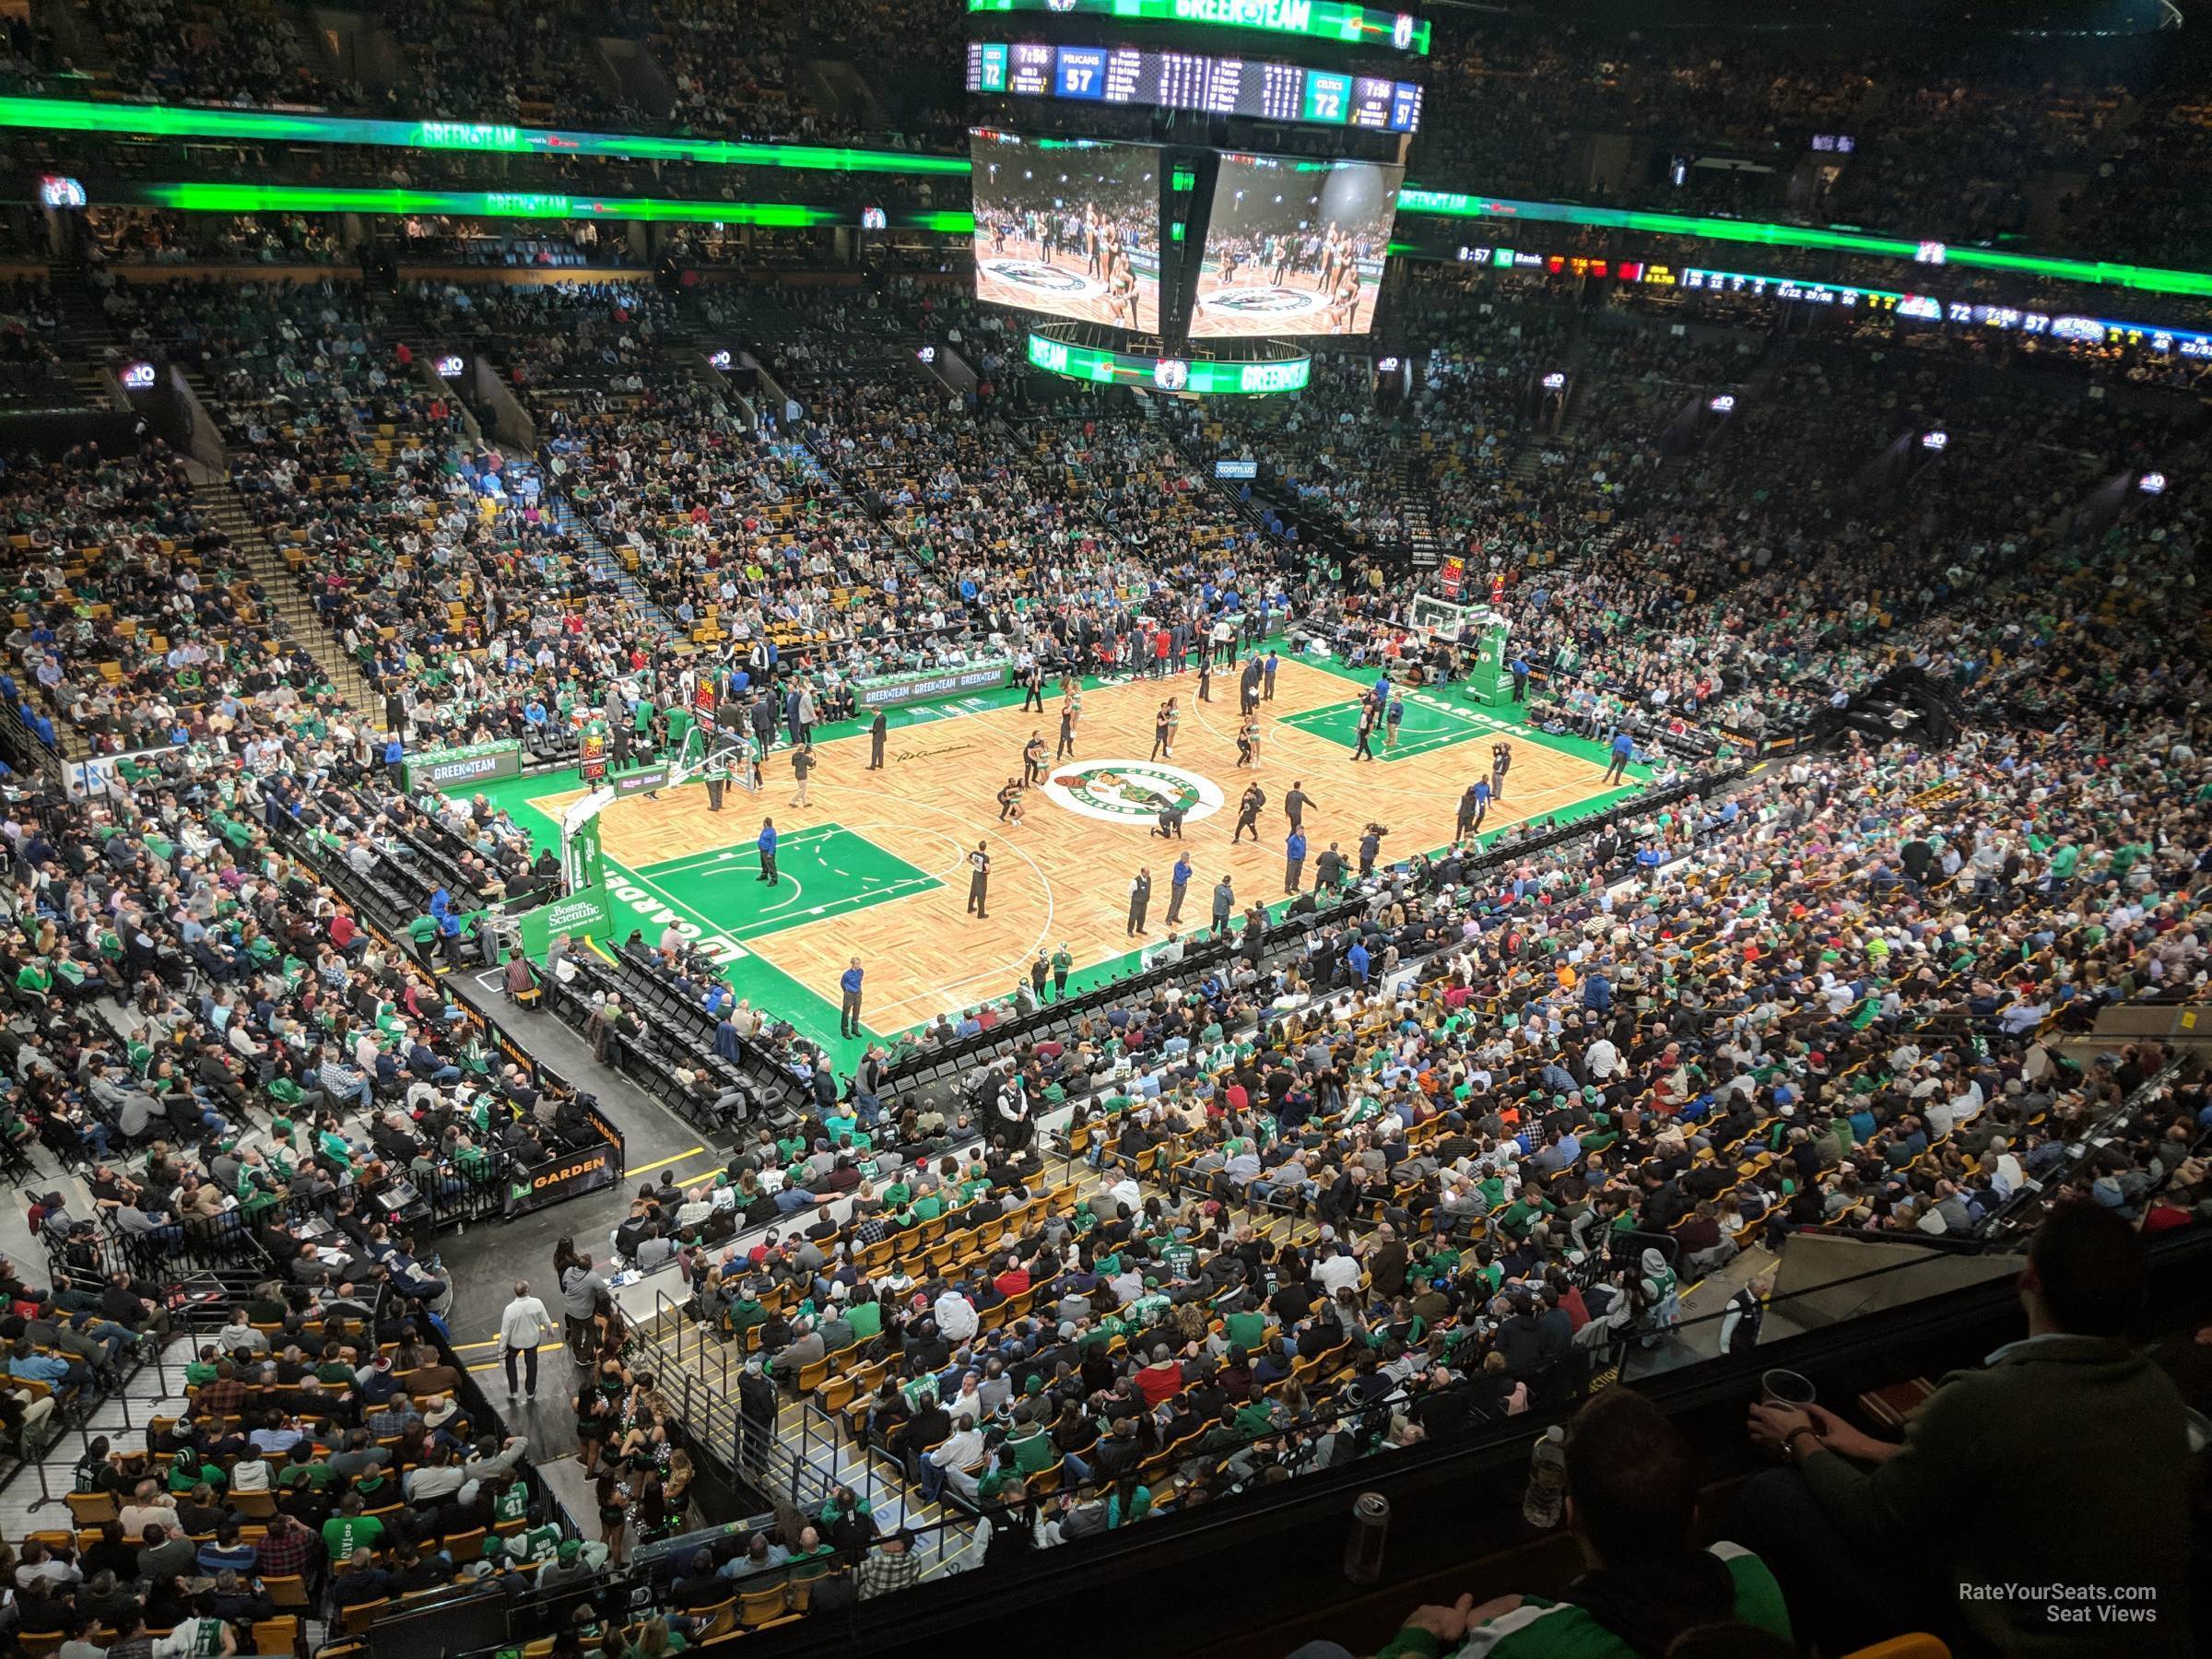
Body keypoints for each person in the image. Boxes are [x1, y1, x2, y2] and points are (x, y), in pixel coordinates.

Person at [1741, 1204, 2194, 1656]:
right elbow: (2017, 1470)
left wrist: (1797, 1439)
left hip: (2000, 1639)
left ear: (2027, 1284)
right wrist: (1873, 1448)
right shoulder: (2158, 1388)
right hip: (2134, 1632)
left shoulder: (1986, 1398)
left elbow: (1872, 1519)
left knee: (1771, 1494)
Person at [1367, 1389, 1789, 1659]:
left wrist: (1417, 1638)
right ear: (1694, 1514)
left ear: (1571, 1518)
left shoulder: (1515, 1648)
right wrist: (1535, 1606)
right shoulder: (1749, 1573)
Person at [500, 1279, 554, 1400]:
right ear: (527, 1290)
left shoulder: (509, 1309)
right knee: (531, 1365)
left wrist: (502, 1349)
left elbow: (505, 1332)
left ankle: (513, 1391)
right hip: (532, 1341)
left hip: (514, 1343)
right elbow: (545, 1319)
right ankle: (530, 1391)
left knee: (510, 1362)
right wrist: (549, 1329)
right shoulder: (537, 1303)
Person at [839, 959, 865, 1041]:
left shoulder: (861, 971)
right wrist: (847, 991)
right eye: (857, 964)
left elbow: (860, 980)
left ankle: (855, 1029)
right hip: (849, 994)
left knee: (856, 1011)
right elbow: (842, 983)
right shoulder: (847, 974)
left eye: (859, 963)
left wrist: (858, 990)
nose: (858, 965)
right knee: (846, 1013)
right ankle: (845, 1031)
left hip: (858, 994)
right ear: (852, 964)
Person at [1165, 853, 1192, 926]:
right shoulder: (1177, 865)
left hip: (1184, 885)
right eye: (1186, 859)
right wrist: (1186, 870)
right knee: (1174, 902)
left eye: (1188, 859)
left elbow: (1190, 873)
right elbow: (1180, 876)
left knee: (1180, 902)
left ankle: (1175, 916)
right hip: (1177, 886)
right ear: (1182, 858)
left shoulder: (1187, 865)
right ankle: (1168, 919)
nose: (1187, 860)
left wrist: (1186, 871)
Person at [967, 841, 991, 919]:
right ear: (985, 847)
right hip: (981, 876)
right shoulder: (985, 857)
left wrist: (974, 864)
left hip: (975, 873)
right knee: (981, 894)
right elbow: (987, 869)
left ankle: (970, 908)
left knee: (973, 891)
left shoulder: (974, 853)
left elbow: (967, 858)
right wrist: (987, 872)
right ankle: (981, 914)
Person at [1126, 869, 1151, 937]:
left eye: (1149, 873)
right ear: (1142, 872)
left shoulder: (1149, 879)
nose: (1148, 875)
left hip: (1144, 902)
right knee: (1133, 916)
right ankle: (1130, 930)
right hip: (1136, 903)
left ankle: (1139, 928)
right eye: (1147, 873)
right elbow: (1130, 891)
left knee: (1142, 916)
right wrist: (1135, 899)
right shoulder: (1135, 881)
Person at [789, 743, 816, 807]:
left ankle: (805, 802)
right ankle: (793, 801)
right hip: (803, 775)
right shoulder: (806, 757)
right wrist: (814, 760)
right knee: (802, 790)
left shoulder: (794, 755)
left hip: (797, 774)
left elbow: (793, 764)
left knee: (803, 789)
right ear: (803, 749)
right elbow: (811, 765)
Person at [758, 818, 780, 886]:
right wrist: (759, 844)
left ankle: (774, 880)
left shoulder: (772, 832)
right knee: (764, 864)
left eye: (764, 821)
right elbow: (762, 837)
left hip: (768, 851)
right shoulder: (765, 829)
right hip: (762, 850)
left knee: (771, 866)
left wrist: (770, 853)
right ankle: (764, 875)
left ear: (766, 823)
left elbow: (773, 843)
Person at [868, 707, 888, 771]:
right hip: (882, 736)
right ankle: (880, 764)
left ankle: (872, 766)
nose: (872, 713)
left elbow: (875, 730)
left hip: (877, 738)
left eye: (873, 712)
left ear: (875, 711)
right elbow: (880, 727)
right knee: (880, 751)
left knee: (875, 751)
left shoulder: (879, 718)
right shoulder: (883, 717)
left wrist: (870, 730)